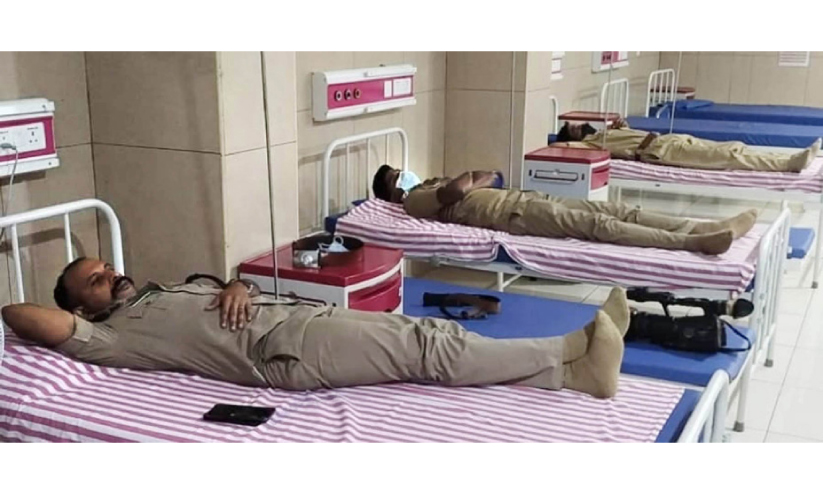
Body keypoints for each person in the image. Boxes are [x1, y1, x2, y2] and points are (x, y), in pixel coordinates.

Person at [1, 257, 630, 399]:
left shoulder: (163, 291)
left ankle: (573, 366)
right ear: (82, 310)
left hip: (301, 321)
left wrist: (237, 285)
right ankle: (567, 353)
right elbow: (20, 317)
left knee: (420, 334)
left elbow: (224, 291)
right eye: (94, 281)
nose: (110, 274)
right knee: (425, 344)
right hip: (284, 351)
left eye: (107, 266)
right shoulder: (112, 337)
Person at [372, 166, 758, 255]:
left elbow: (489, 174)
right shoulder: (414, 201)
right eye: (395, 178)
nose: (404, 175)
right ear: (393, 194)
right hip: (515, 216)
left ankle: (702, 226)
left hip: (529, 199)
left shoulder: (429, 183)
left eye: (399, 170)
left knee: (619, 209)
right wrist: (472, 178)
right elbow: (460, 187)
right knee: (597, 224)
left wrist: (474, 178)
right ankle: (690, 243)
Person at [552, 118, 821, 173]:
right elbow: (560, 148)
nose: (580, 125)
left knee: (735, 145)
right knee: (729, 156)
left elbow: (626, 134)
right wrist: (562, 139)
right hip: (662, 151)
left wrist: (621, 126)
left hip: (669, 139)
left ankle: (789, 157)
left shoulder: (606, 132)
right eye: (574, 127)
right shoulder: (587, 145)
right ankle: (788, 164)